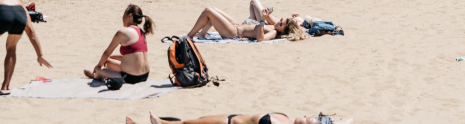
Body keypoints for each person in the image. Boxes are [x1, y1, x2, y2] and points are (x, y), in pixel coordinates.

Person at [84, 4, 154, 84]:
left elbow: (107, 52)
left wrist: (98, 65)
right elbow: (135, 54)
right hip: (145, 75)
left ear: (130, 16)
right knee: (109, 61)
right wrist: (110, 58)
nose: (122, 18)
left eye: (124, 15)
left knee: (99, 68)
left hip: (131, 77)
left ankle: (95, 75)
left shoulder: (122, 32)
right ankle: (102, 72)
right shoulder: (141, 32)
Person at [185, 2, 308, 42]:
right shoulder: (275, 27)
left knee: (208, 11)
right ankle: (202, 34)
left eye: (281, 24)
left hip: (233, 32)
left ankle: (190, 36)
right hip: (237, 25)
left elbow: (261, 39)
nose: (279, 22)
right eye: (281, 20)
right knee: (213, 9)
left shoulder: (274, 33)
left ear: (283, 30)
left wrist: (262, 21)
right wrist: (266, 15)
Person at [127, 112, 333, 124]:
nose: (307, 116)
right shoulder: (286, 118)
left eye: (309, 121)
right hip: (232, 116)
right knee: (193, 121)